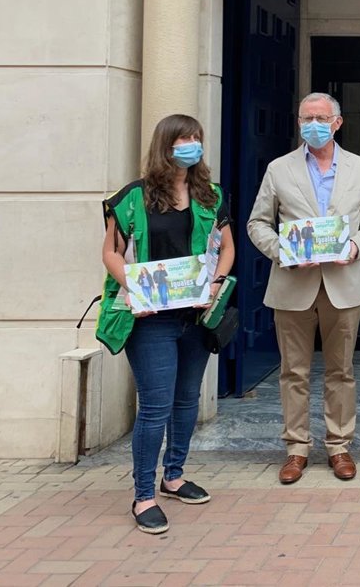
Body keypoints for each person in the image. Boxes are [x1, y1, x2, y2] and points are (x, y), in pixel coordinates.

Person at [95, 114, 235, 535]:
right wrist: (136, 289)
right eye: (183, 138)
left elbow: (226, 249)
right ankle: (143, 496)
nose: (191, 145)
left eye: (196, 138)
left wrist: (215, 283)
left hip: (195, 318)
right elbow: (111, 252)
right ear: (165, 145)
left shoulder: (210, 195)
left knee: (187, 399)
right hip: (150, 320)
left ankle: (173, 476)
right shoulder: (131, 198)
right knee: (155, 407)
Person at [247, 92, 360, 486]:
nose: (313, 125)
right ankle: (296, 449)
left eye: (321, 118)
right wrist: (284, 252)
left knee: (341, 370)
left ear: (337, 123)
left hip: (345, 283)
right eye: (306, 118)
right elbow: (257, 223)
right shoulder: (279, 168)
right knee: (293, 371)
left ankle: (339, 446)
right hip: (293, 283)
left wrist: (356, 246)